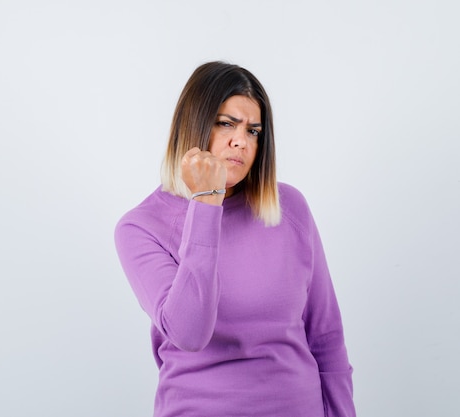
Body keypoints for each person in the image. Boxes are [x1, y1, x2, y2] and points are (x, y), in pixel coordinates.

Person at [114, 61, 356, 417]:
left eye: (253, 131)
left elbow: (326, 336)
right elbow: (189, 332)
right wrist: (206, 203)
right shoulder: (140, 228)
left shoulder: (289, 208)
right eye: (226, 123)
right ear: (193, 125)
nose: (240, 140)